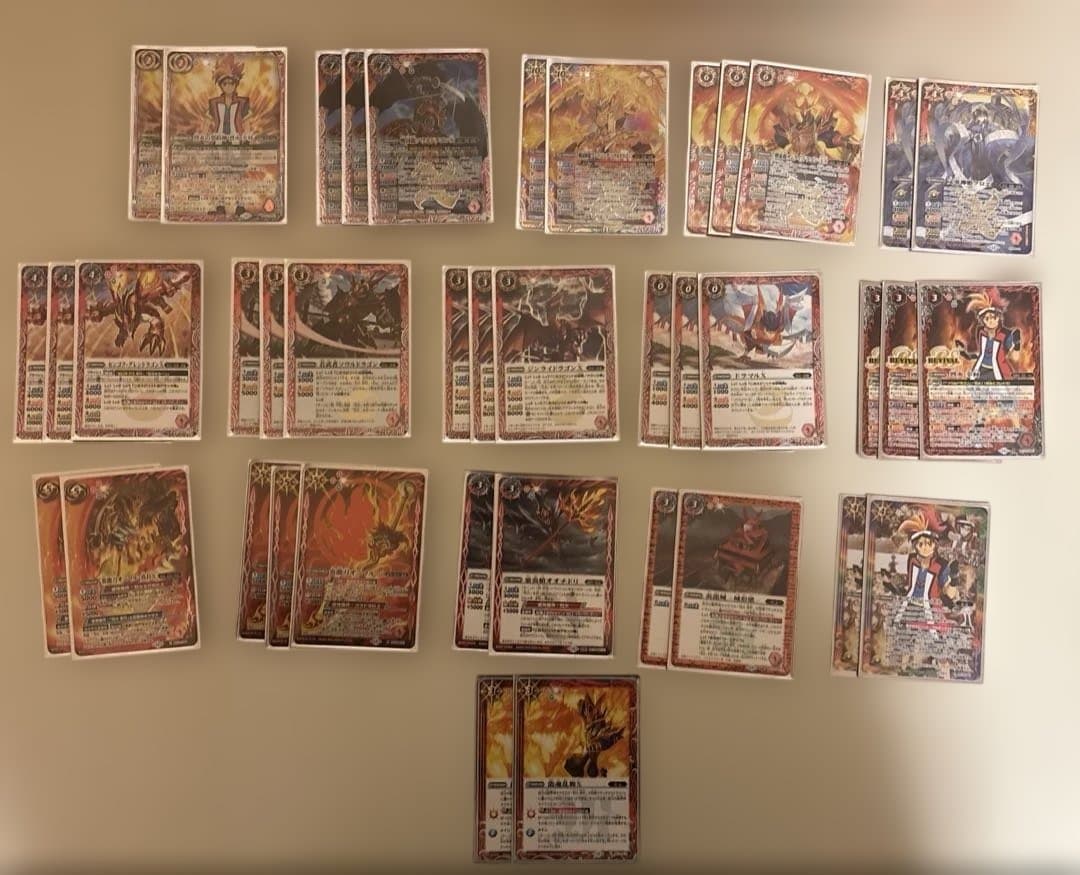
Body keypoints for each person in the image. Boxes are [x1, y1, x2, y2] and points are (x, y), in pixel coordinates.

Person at [955, 288, 1020, 381]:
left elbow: (1015, 357)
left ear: (999, 318)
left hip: (999, 372)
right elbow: (981, 353)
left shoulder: (1005, 334)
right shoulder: (981, 332)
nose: (991, 321)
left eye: (994, 317)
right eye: (987, 318)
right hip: (980, 370)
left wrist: (1017, 344)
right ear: (983, 321)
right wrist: (965, 354)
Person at [208, 55, 249, 136]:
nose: (228, 86)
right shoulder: (213, 102)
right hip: (218, 138)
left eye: (231, 83)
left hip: (237, 139)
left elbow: (247, 123)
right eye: (225, 84)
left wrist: (247, 136)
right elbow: (207, 122)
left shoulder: (243, 102)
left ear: (236, 85)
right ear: (221, 86)